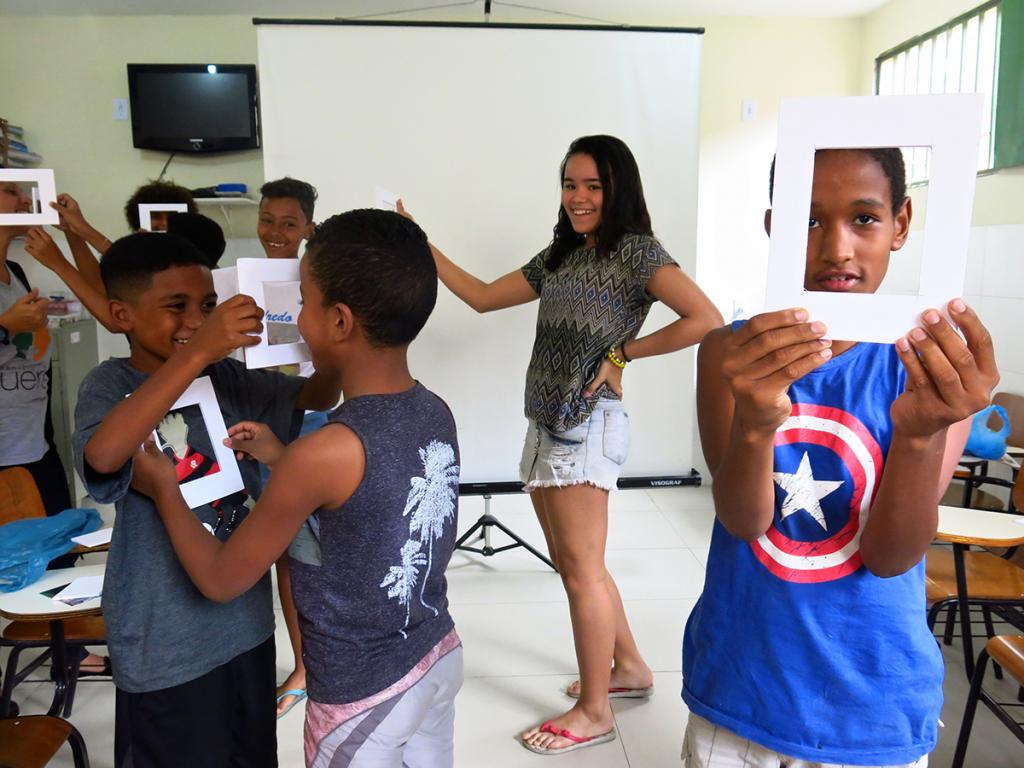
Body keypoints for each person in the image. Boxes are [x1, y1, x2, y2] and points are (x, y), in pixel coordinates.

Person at [400, 134, 723, 754]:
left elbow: (705, 319)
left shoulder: (636, 252)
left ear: (617, 189)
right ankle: (627, 669)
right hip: (545, 422)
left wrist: (624, 352)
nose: (578, 197)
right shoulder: (561, 255)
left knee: (580, 573)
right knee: (582, 567)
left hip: (585, 426)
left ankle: (596, 711)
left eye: (592, 186)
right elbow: (482, 297)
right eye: (570, 184)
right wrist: (421, 242)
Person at [680, 148, 999, 767]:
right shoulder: (731, 354)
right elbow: (745, 522)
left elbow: (890, 557)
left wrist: (917, 436)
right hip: (742, 685)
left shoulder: (930, 373)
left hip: (871, 702)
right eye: (807, 220)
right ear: (774, 227)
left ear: (901, 223)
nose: (837, 249)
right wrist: (755, 423)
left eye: (865, 219)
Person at [129, 209, 463, 768]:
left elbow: (220, 578)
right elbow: (368, 507)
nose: (296, 316)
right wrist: (281, 456)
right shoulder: (433, 410)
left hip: (363, 696)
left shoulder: (323, 454)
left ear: (338, 321)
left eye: (303, 300)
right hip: (436, 655)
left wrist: (165, 488)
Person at [72, 231, 343, 768]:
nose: (196, 321)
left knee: (249, 754)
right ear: (121, 315)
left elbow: (319, 395)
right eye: (176, 307)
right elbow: (104, 456)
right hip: (162, 638)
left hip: (243, 626)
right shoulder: (110, 383)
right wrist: (198, 352)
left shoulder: (229, 378)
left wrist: (320, 334)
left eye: (207, 306)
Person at [0, 180, 108, 676]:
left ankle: (66, 647)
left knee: (57, 543)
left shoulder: (17, 270)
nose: (24, 200)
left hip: (33, 439)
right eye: (11, 192)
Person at [254, 176, 319, 716]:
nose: (276, 232)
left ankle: (328, 658)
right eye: (267, 220)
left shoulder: (323, 282)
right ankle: (301, 665)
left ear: (308, 229)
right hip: (261, 426)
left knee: (321, 550)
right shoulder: (239, 284)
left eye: (289, 223)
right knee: (285, 554)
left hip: (317, 422)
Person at [257, 177, 316, 259]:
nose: (274, 232)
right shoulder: (241, 271)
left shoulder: (316, 272)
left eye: (289, 224)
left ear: (309, 231)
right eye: (268, 220)